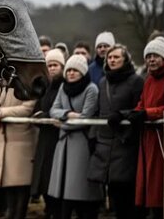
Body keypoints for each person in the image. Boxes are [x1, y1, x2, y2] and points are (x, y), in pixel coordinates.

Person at [87, 44, 144, 218]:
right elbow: (99, 112)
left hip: (125, 143)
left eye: (116, 57)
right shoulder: (103, 81)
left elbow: (140, 109)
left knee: (126, 193)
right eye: (110, 57)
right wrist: (93, 136)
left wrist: (122, 115)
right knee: (112, 192)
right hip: (105, 144)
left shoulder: (136, 81)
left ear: (125, 59)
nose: (112, 60)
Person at [47, 54, 102, 219]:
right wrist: (69, 113)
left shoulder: (91, 88)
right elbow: (53, 110)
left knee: (79, 189)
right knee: (63, 190)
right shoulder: (63, 88)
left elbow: (86, 118)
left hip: (81, 144)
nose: (71, 73)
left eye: (75, 70)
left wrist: (61, 124)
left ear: (83, 72)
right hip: (63, 145)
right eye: (69, 69)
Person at [0, 81, 37, 219]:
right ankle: (10, 212)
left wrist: (2, 113)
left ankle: (18, 214)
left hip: (21, 139)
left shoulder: (26, 81)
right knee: (7, 181)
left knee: (21, 184)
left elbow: (27, 107)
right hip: (1, 139)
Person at [128, 37, 164, 218]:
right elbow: (142, 104)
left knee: (161, 185)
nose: (151, 59)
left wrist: (148, 114)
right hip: (149, 140)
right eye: (148, 56)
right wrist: (131, 114)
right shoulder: (149, 80)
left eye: (156, 55)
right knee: (150, 186)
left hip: (163, 140)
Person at [31, 49, 65, 219]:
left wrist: (46, 115)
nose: (52, 68)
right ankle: (48, 210)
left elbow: (60, 110)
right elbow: (37, 109)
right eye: (49, 65)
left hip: (59, 139)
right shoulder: (45, 87)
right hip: (44, 138)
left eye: (55, 65)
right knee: (43, 179)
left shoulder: (65, 86)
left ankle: (56, 212)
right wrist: (40, 116)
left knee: (55, 178)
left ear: (62, 66)